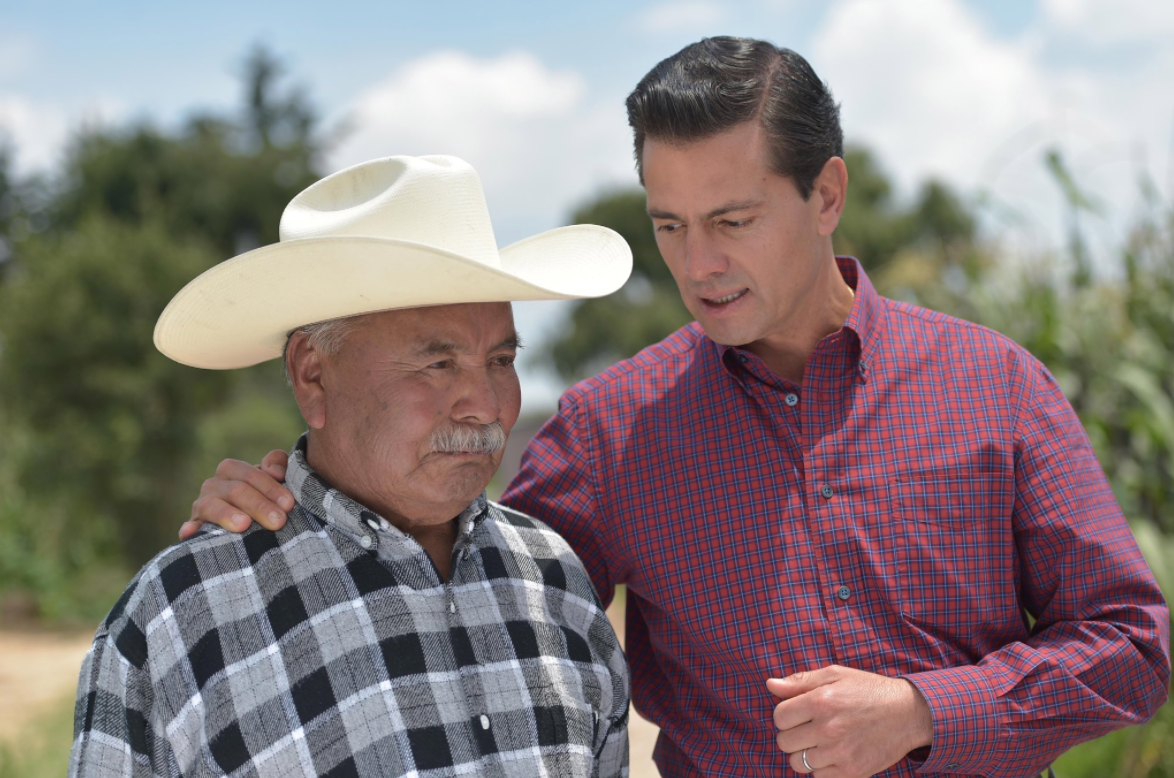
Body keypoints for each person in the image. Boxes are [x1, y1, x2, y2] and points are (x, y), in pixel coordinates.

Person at [185, 39, 1171, 778]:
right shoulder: (609, 429)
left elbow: (1133, 645)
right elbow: (450, 577)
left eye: (733, 221)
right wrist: (284, 499)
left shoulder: (993, 385)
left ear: (825, 192)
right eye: (670, 224)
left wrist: (924, 707)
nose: (699, 265)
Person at [70, 155, 634, 778]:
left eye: (500, 360)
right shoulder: (180, 618)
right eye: (438, 364)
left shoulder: (553, 579)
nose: (485, 406)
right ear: (312, 374)